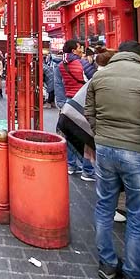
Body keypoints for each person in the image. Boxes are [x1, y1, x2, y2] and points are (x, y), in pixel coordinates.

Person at [85, 40, 140, 279]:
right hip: (138, 149)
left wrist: (100, 135)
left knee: (104, 206)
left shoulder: (99, 77)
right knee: (138, 214)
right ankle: (135, 277)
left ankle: (107, 264)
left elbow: (89, 112)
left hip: (105, 148)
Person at [54, 39, 95, 181]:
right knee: (87, 136)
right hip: (83, 103)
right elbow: (94, 80)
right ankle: (88, 170)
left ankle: (71, 165)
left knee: (69, 134)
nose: (81, 50)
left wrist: (61, 104)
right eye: (79, 47)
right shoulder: (83, 63)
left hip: (68, 102)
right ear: (73, 50)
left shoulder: (60, 65)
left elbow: (58, 85)